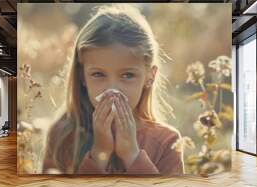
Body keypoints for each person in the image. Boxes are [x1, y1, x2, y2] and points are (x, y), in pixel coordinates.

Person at [42, 5, 184, 175]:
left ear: (149, 76)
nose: (112, 89)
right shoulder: (63, 135)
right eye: (98, 74)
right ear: (82, 77)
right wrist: (100, 153)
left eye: (128, 75)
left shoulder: (167, 142)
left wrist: (132, 154)